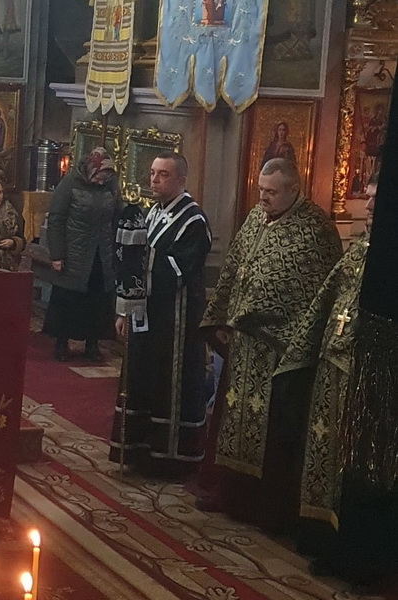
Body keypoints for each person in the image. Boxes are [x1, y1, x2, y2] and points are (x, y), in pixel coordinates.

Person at [198, 158, 342, 532]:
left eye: (272, 192)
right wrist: (226, 317)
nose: (263, 197)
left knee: (273, 429)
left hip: (280, 351)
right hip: (244, 345)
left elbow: (307, 288)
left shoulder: (315, 228)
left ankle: (265, 507)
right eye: (261, 190)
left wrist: (254, 315)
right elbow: (236, 267)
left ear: (294, 189)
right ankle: (231, 493)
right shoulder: (254, 218)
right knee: (234, 417)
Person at [273, 174, 378, 581]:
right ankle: (320, 535)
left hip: (364, 375)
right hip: (332, 365)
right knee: (323, 453)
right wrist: (302, 353)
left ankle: (351, 548)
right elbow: (327, 300)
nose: (367, 208)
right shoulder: (361, 250)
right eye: (366, 198)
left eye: (375, 200)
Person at [109, 151, 213, 478]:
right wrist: (124, 307)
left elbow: (179, 270)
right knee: (141, 379)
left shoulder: (194, 221)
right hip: (145, 316)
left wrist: (139, 256)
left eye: (163, 174)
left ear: (181, 179)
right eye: (153, 173)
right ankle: (138, 450)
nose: (154, 180)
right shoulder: (152, 212)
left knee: (169, 385)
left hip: (175, 324)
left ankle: (168, 459)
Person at [42, 147, 122, 362]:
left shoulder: (111, 186)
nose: (100, 181)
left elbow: (116, 216)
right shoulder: (69, 184)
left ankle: (92, 344)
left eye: (105, 177)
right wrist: (57, 255)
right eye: (98, 176)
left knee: (97, 299)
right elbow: (56, 219)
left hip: (101, 253)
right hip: (74, 251)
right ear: (90, 170)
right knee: (69, 298)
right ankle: (61, 343)